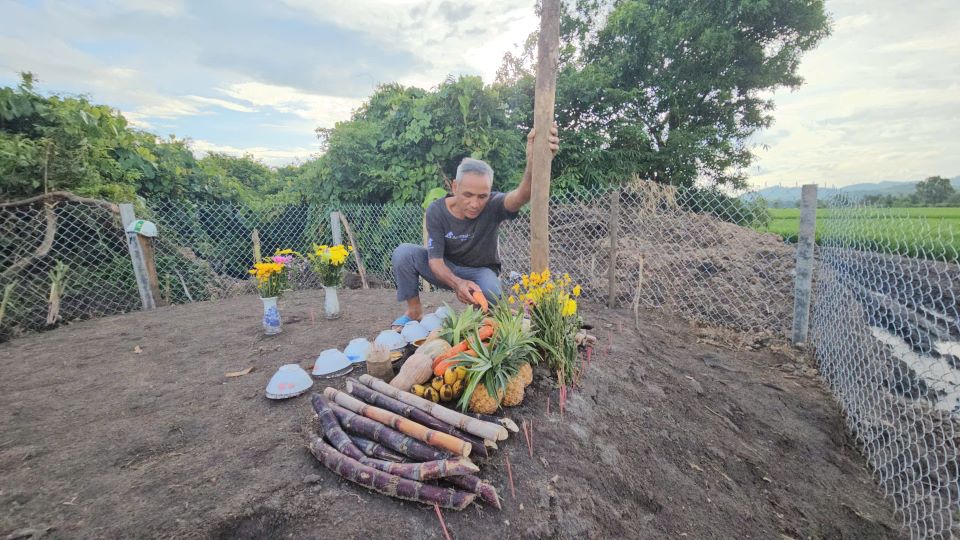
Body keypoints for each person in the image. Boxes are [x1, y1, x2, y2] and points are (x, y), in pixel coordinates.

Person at [390, 123, 560, 327]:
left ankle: (482, 322)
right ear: (454, 187)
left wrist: (533, 162)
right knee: (404, 253)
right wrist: (458, 283)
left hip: (480, 271)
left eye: (482, 196)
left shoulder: (494, 205)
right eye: (467, 195)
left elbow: (522, 195)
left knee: (492, 295)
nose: (475, 203)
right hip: (447, 268)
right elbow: (435, 262)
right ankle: (414, 311)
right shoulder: (437, 210)